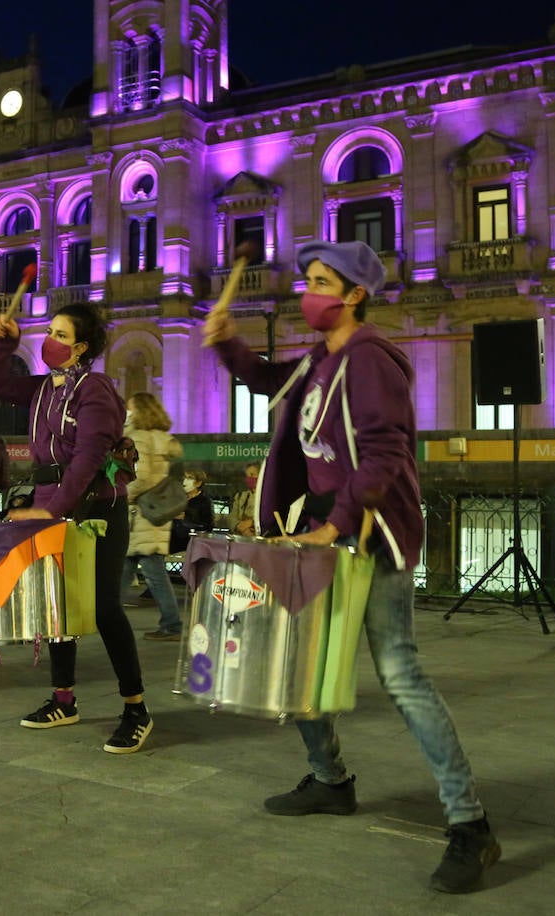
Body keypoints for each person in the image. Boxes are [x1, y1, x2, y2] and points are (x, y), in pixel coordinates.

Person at [205, 239, 499, 894]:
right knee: (304, 661)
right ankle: (331, 781)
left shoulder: (370, 358)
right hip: (317, 530)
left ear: (354, 293)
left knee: (399, 672)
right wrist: (227, 344)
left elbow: (385, 450)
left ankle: (470, 824)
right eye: (306, 280)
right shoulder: (320, 358)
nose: (306, 292)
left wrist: (337, 524)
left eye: (318, 281)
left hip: (367, 535)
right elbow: (266, 381)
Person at [0, 303, 152, 753]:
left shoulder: (95, 389)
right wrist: (4, 343)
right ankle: (63, 699)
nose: (49, 340)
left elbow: (89, 457)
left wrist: (53, 509)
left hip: (94, 508)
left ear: (80, 347)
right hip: (47, 504)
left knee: (104, 606)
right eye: (49, 331)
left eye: (59, 333)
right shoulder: (43, 389)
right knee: (55, 603)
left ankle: (135, 708)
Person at [121, 392, 184, 641]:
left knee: (152, 569)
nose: (127, 412)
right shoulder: (165, 439)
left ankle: (172, 624)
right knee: (126, 567)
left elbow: (140, 475)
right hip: (155, 511)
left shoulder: (140, 438)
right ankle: (107, 616)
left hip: (140, 512)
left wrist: (122, 495)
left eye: (130, 408)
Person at [170, 469, 215, 553]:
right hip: (173, 540)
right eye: (185, 477)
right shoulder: (178, 498)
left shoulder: (205, 501)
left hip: (191, 542)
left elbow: (208, 526)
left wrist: (185, 518)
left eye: (190, 478)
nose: (186, 481)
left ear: (198, 483)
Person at [227, 462, 260, 536]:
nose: (249, 478)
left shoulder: (267, 498)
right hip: (241, 539)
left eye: (252, 475)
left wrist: (252, 523)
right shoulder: (240, 496)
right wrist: (239, 527)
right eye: (247, 476)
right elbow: (232, 518)